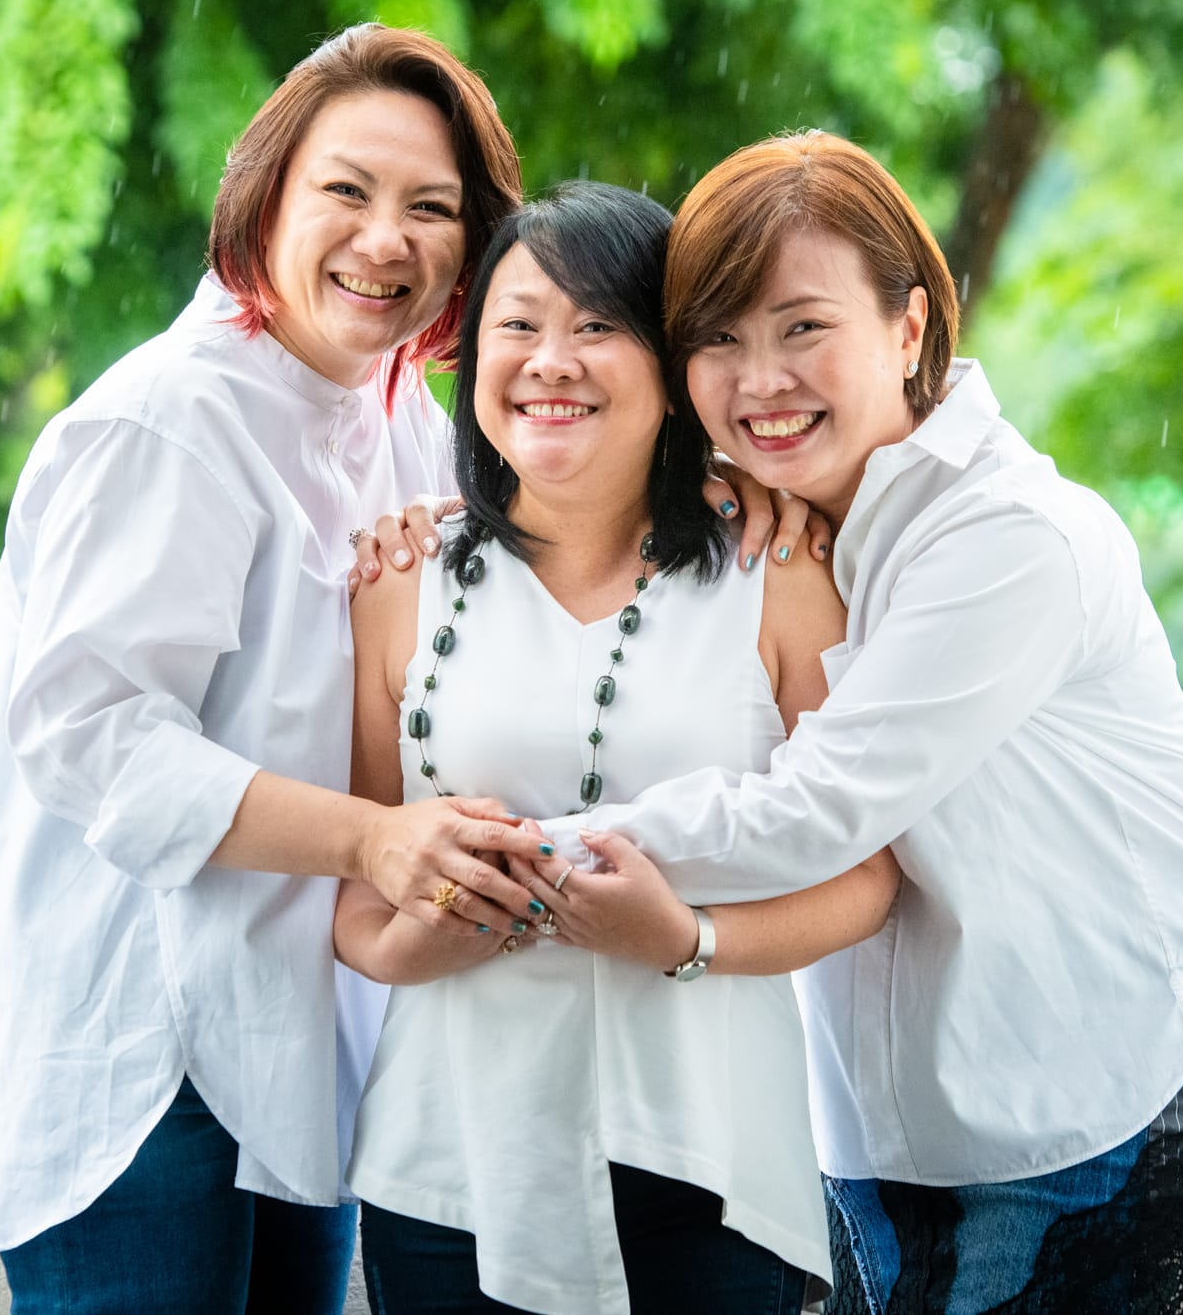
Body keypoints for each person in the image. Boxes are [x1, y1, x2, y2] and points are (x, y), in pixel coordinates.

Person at [516, 133, 1183, 1313]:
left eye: (802, 327)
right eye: (717, 339)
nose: (760, 379)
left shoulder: (1008, 535)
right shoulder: (773, 529)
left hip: (1114, 1094)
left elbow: (816, 811)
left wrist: (520, 855)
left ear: (910, 327)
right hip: (891, 1131)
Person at [0, 25, 552, 1314]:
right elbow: (95, 740)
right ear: (266, 197)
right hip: (143, 1066)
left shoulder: (397, 416)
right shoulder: (169, 418)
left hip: (298, 1048)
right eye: (347, 190)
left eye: (431, 208)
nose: (384, 240)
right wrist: (375, 840)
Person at [332, 181, 900, 1315]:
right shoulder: (400, 583)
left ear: (672, 364)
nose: (551, 360)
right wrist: (417, 943)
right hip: (448, 1170)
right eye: (518, 324)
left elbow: (864, 879)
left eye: (597, 324)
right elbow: (356, 897)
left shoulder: (779, 573)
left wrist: (686, 941)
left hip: (707, 1164)